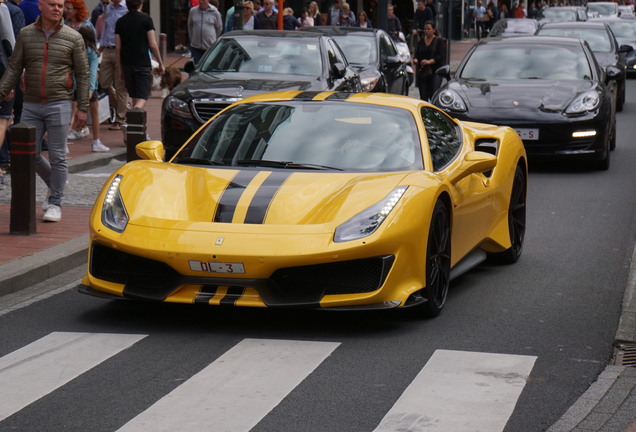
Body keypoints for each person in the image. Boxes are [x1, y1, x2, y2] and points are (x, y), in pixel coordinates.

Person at [0, 0, 89, 222]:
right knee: (29, 154)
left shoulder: (73, 37)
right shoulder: (26, 34)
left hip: (59, 102)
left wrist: (83, 108)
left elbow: (83, 73)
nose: (57, 9)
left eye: (60, 5)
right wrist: (2, 90)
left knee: (58, 155)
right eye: (52, 4)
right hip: (31, 102)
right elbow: (14, 66)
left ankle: (55, 202)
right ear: (41, 6)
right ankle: (55, 183)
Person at [115, 0, 164, 110]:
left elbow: (118, 48)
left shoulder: (120, 22)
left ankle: (136, 125)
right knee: (142, 97)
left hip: (126, 63)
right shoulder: (146, 19)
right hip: (142, 63)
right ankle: (134, 113)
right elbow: (153, 44)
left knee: (134, 96)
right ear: (140, 4)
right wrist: (160, 63)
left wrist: (119, 68)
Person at [64, 0, 94, 142]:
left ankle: (75, 129)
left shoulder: (86, 26)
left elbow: (92, 49)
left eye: (69, 8)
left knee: (77, 103)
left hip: (82, 70)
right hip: (69, 69)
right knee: (72, 102)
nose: (65, 10)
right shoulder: (64, 25)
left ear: (77, 9)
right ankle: (77, 128)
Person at [97, 0, 128, 131]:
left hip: (120, 50)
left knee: (120, 86)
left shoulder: (127, 8)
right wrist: (101, 47)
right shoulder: (108, 7)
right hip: (108, 50)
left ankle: (120, 119)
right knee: (104, 82)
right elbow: (106, 28)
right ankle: (124, 107)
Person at [78, 25, 109, 152]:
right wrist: (90, 90)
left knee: (71, 115)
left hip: (75, 85)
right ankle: (96, 141)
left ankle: (64, 143)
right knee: (94, 114)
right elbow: (92, 73)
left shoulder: (76, 50)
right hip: (88, 87)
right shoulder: (92, 53)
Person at [413, 21, 443, 102]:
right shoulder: (421, 41)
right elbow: (417, 54)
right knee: (423, 95)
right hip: (423, 72)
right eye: (425, 29)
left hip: (434, 71)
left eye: (429, 29)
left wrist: (429, 61)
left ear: (434, 30)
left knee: (433, 94)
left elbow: (440, 56)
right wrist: (415, 60)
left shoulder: (438, 41)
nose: (426, 31)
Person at [187, 0, 222, 66]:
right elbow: (190, 25)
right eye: (200, 0)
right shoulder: (193, 11)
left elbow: (219, 28)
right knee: (195, 67)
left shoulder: (215, 12)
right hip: (196, 47)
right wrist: (192, 38)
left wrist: (214, 39)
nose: (201, 2)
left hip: (209, 47)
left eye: (203, 0)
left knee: (208, 67)